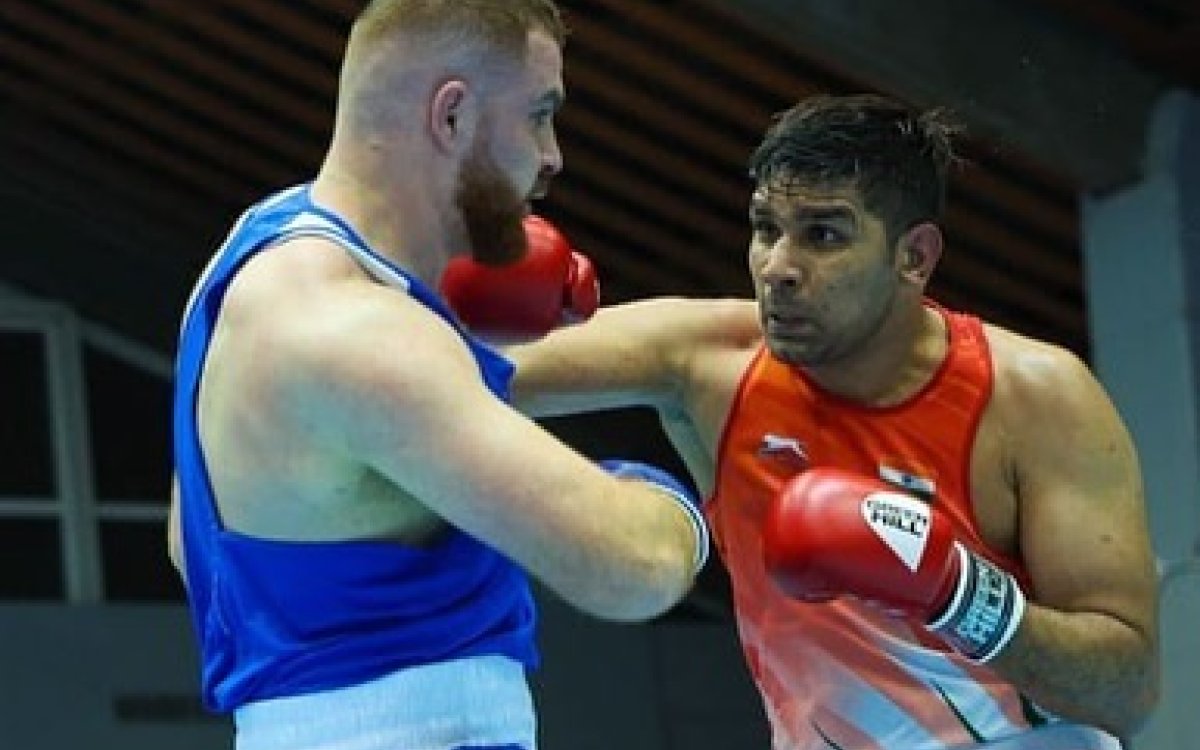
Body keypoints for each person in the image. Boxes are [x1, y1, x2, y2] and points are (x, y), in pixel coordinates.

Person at [507, 93, 1160, 749]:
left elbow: (1127, 691)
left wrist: (960, 595)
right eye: (766, 228)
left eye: (824, 234)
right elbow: (461, 371)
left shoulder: (1033, 398)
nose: (779, 267)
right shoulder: (712, 364)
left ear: (915, 257)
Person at [165, 2, 709, 749]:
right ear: (451, 116)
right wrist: (668, 499)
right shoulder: (360, 336)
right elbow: (632, 570)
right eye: (539, 116)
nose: (552, 156)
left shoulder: (263, 249)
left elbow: (185, 539)